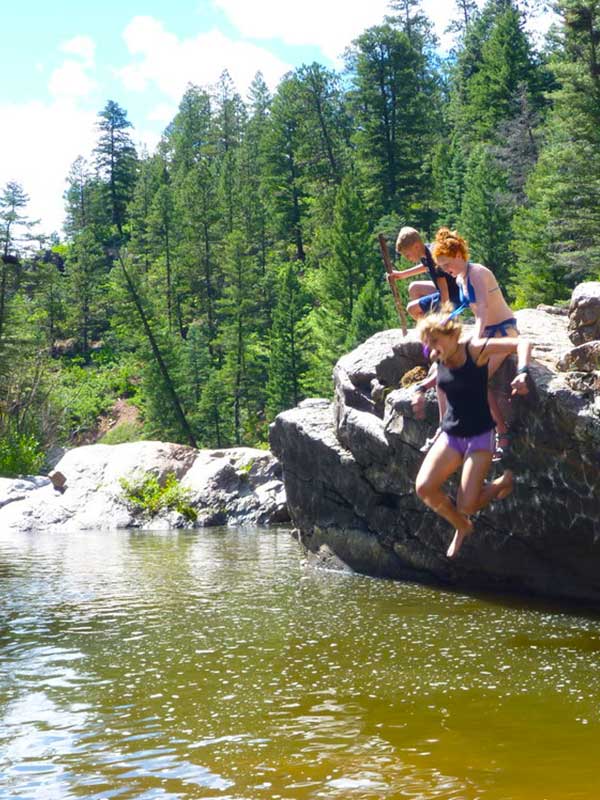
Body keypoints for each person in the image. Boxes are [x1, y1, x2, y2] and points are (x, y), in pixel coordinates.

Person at [412, 307, 532, 558]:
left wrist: (522, 373)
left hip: (479, 435)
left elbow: (522, 342)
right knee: (424, 488)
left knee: (468, 503)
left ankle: (502, 481)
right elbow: (439, 377)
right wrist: (420, 390)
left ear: (451, 334)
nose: (431, 348)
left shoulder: (474, 349)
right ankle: (462, 526)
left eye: (435, 340)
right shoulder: (438, 356)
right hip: (451, 435)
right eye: (427, 343)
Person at [430, 228, 519, 459]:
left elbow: (482, 311)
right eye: (443, 267)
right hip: (487, 332)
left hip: (503, 332)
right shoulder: (461, 277)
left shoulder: (477, 273)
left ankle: (502, 433)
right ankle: (444, 427)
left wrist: (476, 340)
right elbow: (467, 311)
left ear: (459, 255)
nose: (446, 270)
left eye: (447, 264)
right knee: (443, 366)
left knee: (475, 379)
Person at [388, 227, 461, 320]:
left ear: (416, 246)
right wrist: (403, 274)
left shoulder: (434, 258)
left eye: (407, 255)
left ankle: (432, 328)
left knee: (411, 308)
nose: (407, 258)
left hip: (455, 294)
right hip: (451, 288)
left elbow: (444, 288)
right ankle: (429, 325)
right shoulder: (426, 251)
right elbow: (426, 266)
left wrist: (445, 315)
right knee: (414, 288)